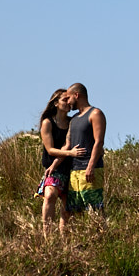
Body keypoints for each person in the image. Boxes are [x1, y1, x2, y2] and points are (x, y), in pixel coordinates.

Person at [37, 89, 86, 233]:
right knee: (50, 195)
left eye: (69, 99)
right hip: (54, 168)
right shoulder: (48, 123)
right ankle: (48, 236)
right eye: (64, 100)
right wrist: (69, 153)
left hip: (71, 168)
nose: (68, 103)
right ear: (56, 103)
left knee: (68, 207)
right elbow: (50, 149)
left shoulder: (73, 122)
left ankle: (65, 243)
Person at [62, 82, 106, 214]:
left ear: (77, 95)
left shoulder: (95, 114)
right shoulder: (73, 119)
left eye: (69, 98)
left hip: (90, 170)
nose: (68, 102)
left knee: (95, 209)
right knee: (75, 210)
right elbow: (67, 145)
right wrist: (53, 164)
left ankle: (101, 234)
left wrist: (90, 166)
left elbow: (99, 142)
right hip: (74, 171)